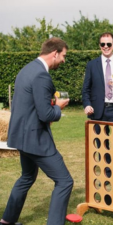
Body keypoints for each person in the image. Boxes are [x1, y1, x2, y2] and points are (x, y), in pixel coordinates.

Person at [0, 37, 74, 225]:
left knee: (26, 177)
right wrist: (58, 107)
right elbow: (46, 114)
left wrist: (51, 104)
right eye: (63, 56)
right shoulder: (42, 75)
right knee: (64, 181)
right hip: (35, 140)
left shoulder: (26, 69)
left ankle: (7, 221)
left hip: (21, 138)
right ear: (55, 53)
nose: (64, 60)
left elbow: (31, 105)